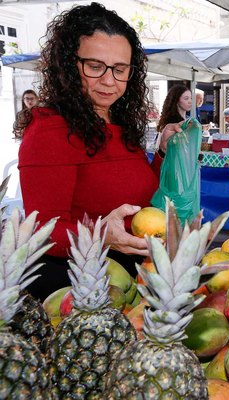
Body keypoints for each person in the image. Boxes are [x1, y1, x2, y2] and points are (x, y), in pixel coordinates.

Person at [14, 3, 181, 301]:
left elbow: (138, 196)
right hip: (77, 288)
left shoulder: (118, 121)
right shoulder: (49, 129)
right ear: (68, 64)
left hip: (131, 277)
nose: (108, 81)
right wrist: (102, 234)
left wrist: (162, 153)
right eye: (94, 66)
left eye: (120, 69)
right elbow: (40, 231)